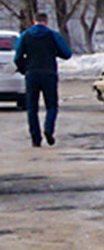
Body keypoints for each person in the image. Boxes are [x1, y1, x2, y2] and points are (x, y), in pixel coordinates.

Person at [13, 12, 72, 148]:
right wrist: (55, 52)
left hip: (32, 74)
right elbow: (67, 54)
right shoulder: (53, 35)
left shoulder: (25, 36)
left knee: (32, 107)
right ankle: (49, 129)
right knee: (51, 105)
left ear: (34, 21)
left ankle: (35, 138)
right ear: (46, 21)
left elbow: (17, 57)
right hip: (49, 73)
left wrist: (24, 69)